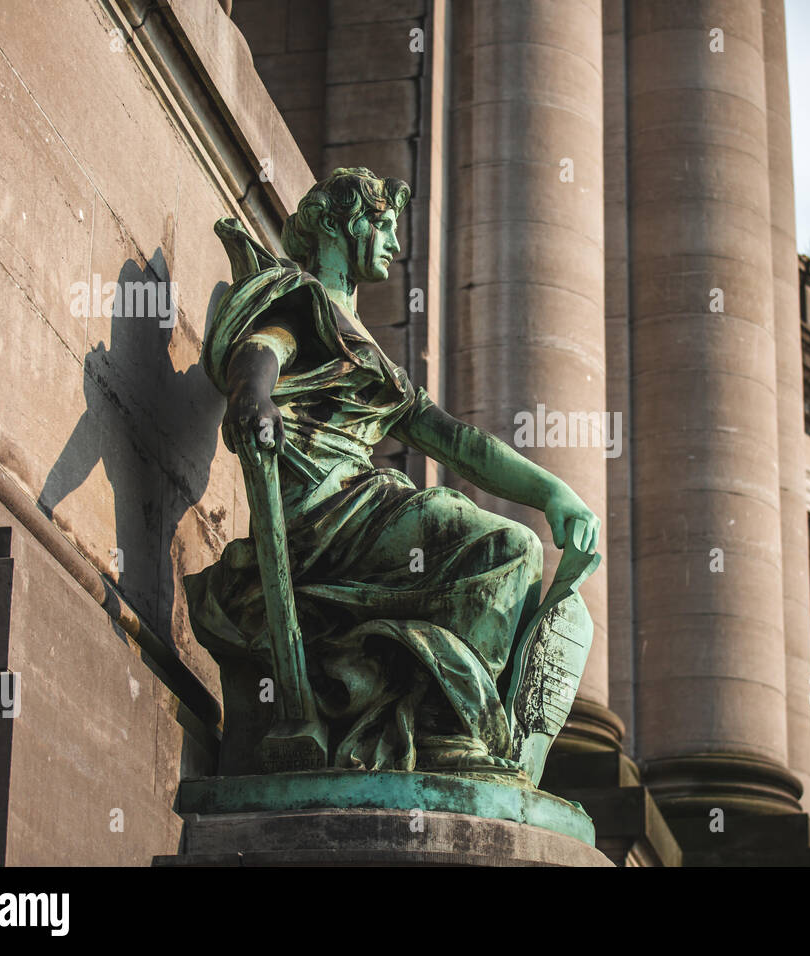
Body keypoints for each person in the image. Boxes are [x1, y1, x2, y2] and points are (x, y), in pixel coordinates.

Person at [185, 167, 599, 774]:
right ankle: (444, 725)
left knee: (512, 547)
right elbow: (261, 350)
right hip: (323, 515)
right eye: (379, 225)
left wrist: (554, 492)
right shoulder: (303, 302)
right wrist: (253, 397)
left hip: (367, 504)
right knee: (508, 548)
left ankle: (446, 712)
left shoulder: (372, 351)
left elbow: (460, 444)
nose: (395, 243)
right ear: (334, 225)